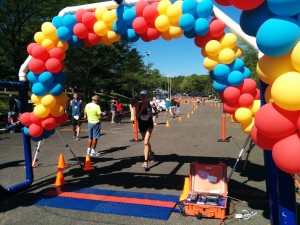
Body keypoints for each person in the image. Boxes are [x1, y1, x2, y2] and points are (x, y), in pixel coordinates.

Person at [135, 90, 155, 170]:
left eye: (144, 96)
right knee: (146, 142)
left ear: (147, 96)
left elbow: (151, 114)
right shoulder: (138, 104)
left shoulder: (149, 104)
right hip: (141, 125)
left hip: (149, 124)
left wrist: (152, 112)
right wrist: (142, 108)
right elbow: (137, 117)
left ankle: (145, 161)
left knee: (146, 142)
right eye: (141, 96)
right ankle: (151, 153)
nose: (142, 97)